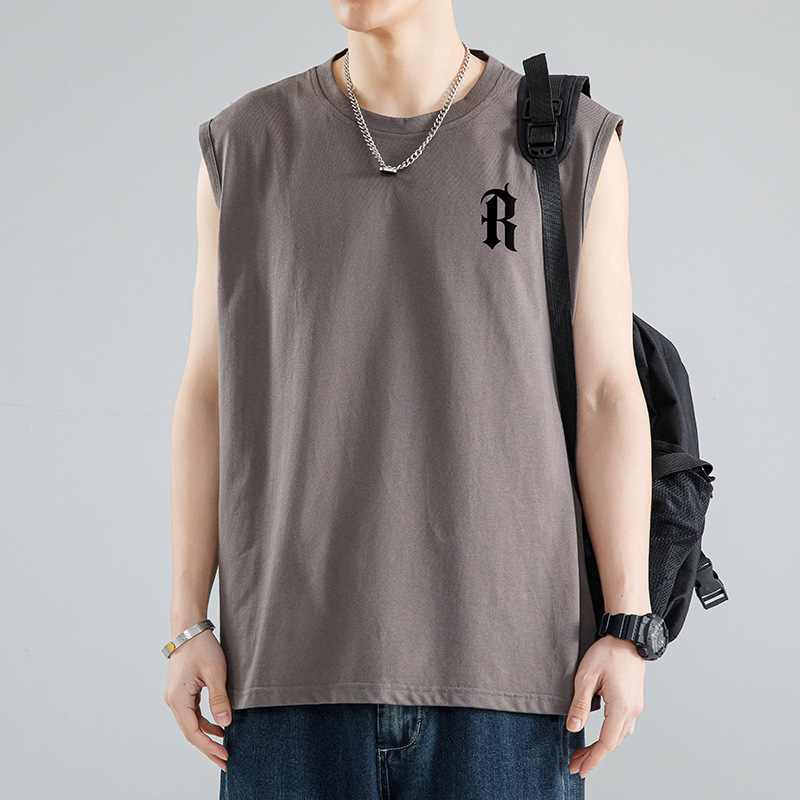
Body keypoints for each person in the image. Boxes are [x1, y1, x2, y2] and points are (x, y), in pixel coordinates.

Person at [164, 1, 652, 797]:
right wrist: (188, 622)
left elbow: (606, 394)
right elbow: (206, 394)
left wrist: (627, 626)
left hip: (512, 677)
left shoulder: (568, 141)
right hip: (289, 668)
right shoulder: (247, 143)